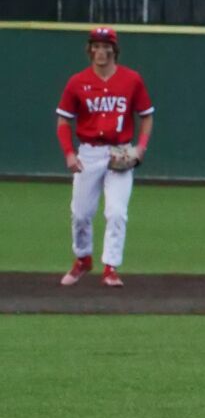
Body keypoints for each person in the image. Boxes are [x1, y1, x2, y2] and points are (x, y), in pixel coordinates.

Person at [55, 26, 154, 289]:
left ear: (114, 49)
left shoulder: (131, 80)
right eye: (95, 46)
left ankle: (110, 267)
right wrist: (68, 153)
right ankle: (83, 259)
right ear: (89, 50)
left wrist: (141, 147)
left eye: (105, 45)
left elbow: (146, 116)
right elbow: (63, 121)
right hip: (88, 152)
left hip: (120, 152)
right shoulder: (77, 82)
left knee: (117, 213)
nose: (101, 50)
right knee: (80, 214)